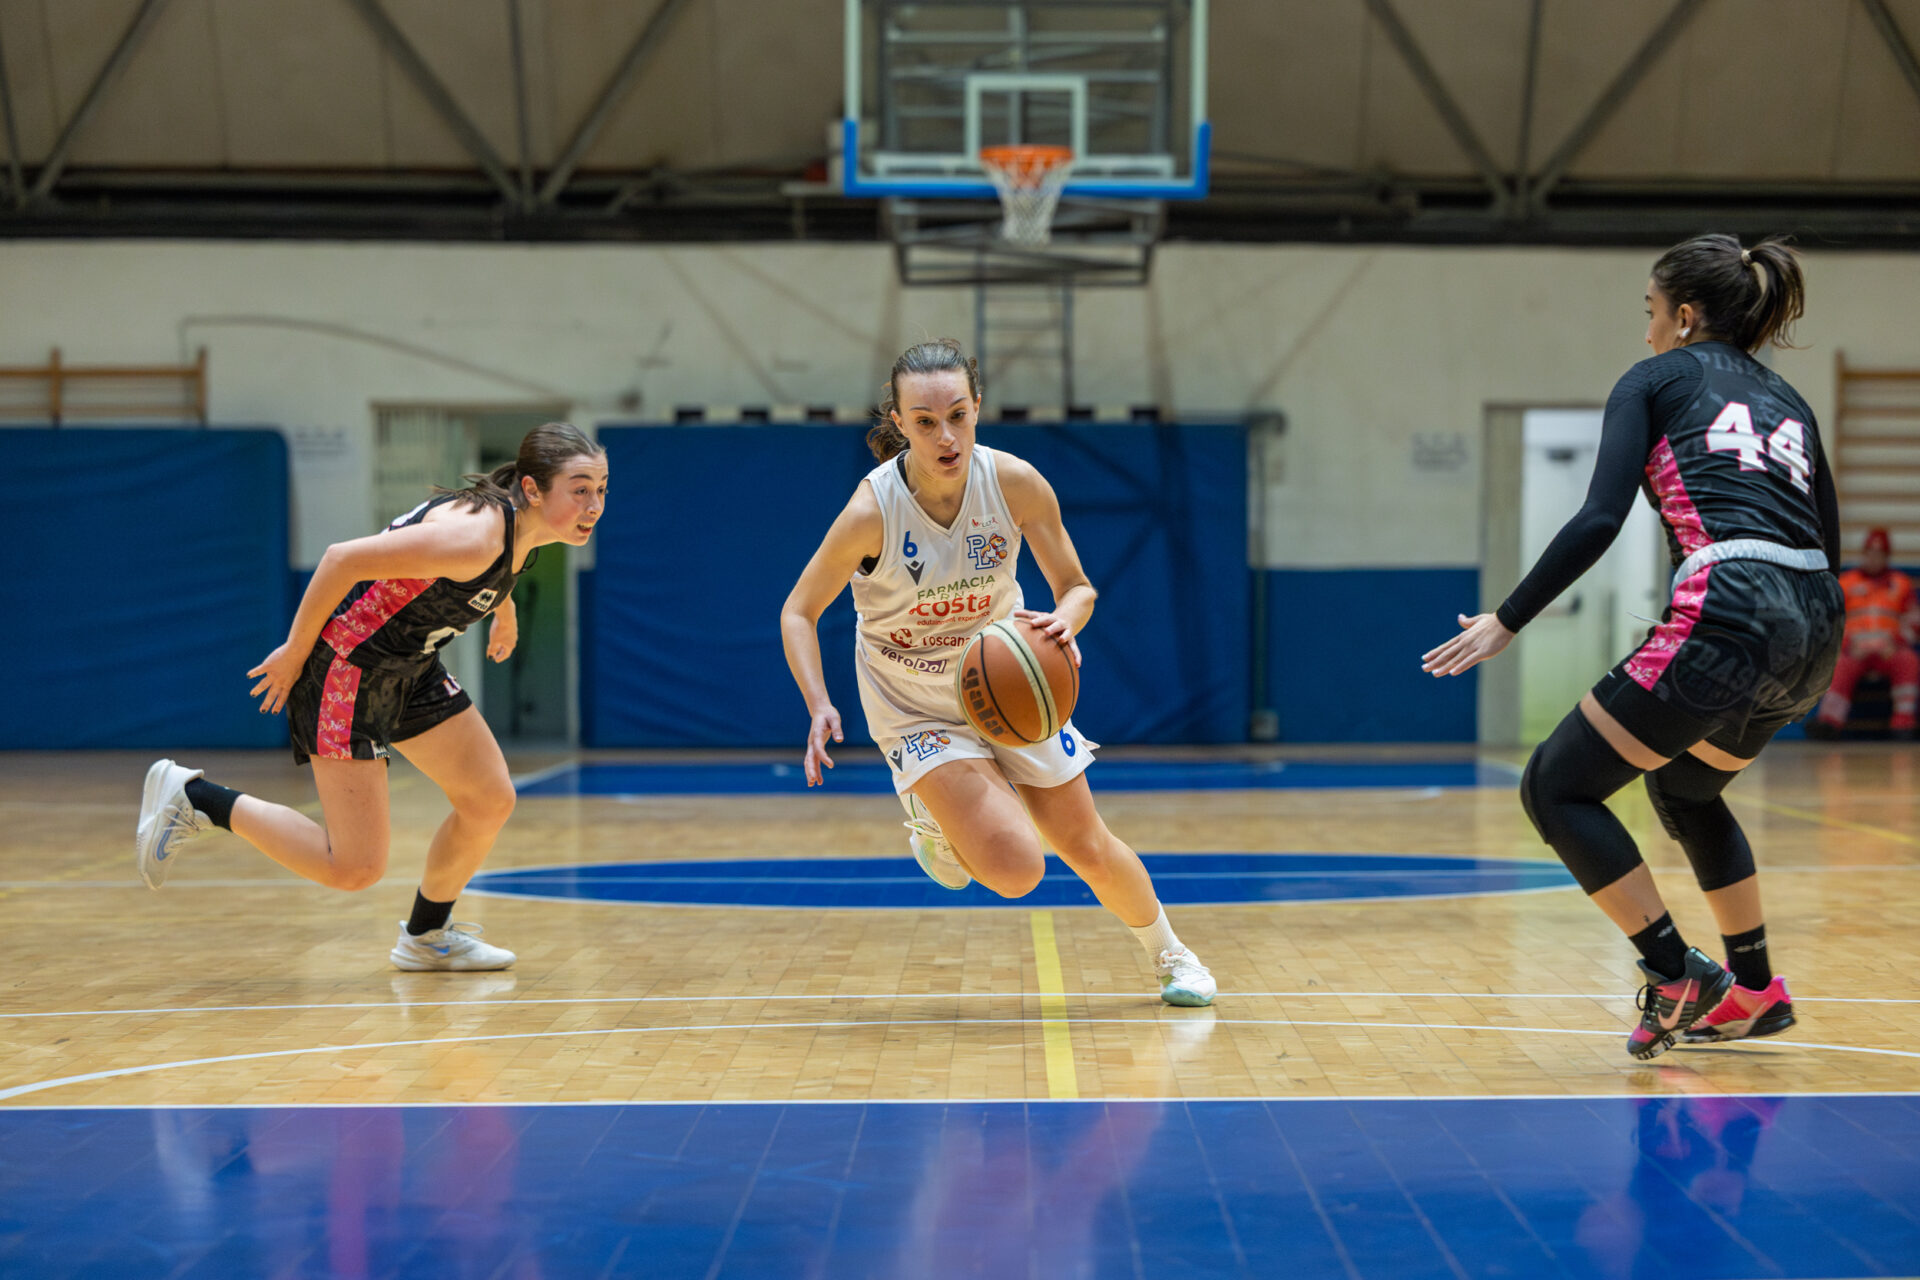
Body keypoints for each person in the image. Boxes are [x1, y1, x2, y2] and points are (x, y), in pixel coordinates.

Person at [1423, 235, 1843, 1058]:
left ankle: (1675, 973)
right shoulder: (1789, 398)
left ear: (1684, 316)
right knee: (1686, 791)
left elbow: (1599, 518)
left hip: (1733, 604)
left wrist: (1509, 618)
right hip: (1818, 621)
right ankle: (1754, 988)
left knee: (1556, 787)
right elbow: (1822, 537)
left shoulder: (1653, 378)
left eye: (1650, 313)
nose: (1646, 331)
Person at [778, 339, 1215, 1006]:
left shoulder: (1013, 482)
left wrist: (1066, 621)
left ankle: (1172, 955)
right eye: (925, 422)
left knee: (1087, 843)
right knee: (1016, 870)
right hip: (915, 702)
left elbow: (1078, 587)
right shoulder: (873, 512)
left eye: (957, 414)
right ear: (898, 423)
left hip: (1008, 682)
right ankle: (934, 813)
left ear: (978, 405)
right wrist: (818, 703)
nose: (945, 435)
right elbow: (798, 612)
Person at [134, 422, 609, 971]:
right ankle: (194, 798)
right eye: (579, 488)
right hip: (348, 668)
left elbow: (498, 569)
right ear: (531, 489)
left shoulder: (517, 527)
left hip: (411, 668)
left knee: (489, 799)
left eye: (600, 488)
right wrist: (293, 651)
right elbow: (342, 559)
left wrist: (506, 613)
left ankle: (426, 936)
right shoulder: (473, 535)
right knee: (354, 868)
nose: (593, 504)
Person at [1813, 527, 1920, 737]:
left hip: (1890, 650)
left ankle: (1904, 723)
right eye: (1870, 553)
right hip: (1853, 650)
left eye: (1879, 554)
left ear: (1887, 557)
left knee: (1908, 661)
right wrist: (1847, 645)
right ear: (1864, 554)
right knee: (1840, 665)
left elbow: (1914, 623)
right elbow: (1833, 622)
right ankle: (1829, 723)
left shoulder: (1901, 583)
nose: (1874, 559)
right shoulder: (1846, 582)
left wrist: (1896, 642)